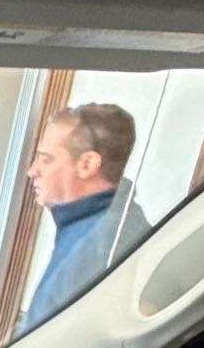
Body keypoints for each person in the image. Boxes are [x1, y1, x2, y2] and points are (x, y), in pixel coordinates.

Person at [17, 102, 150, 333]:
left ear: (87, 164)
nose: (32, 170)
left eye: (46, 159)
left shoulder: (99, 244)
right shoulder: (110, 221)